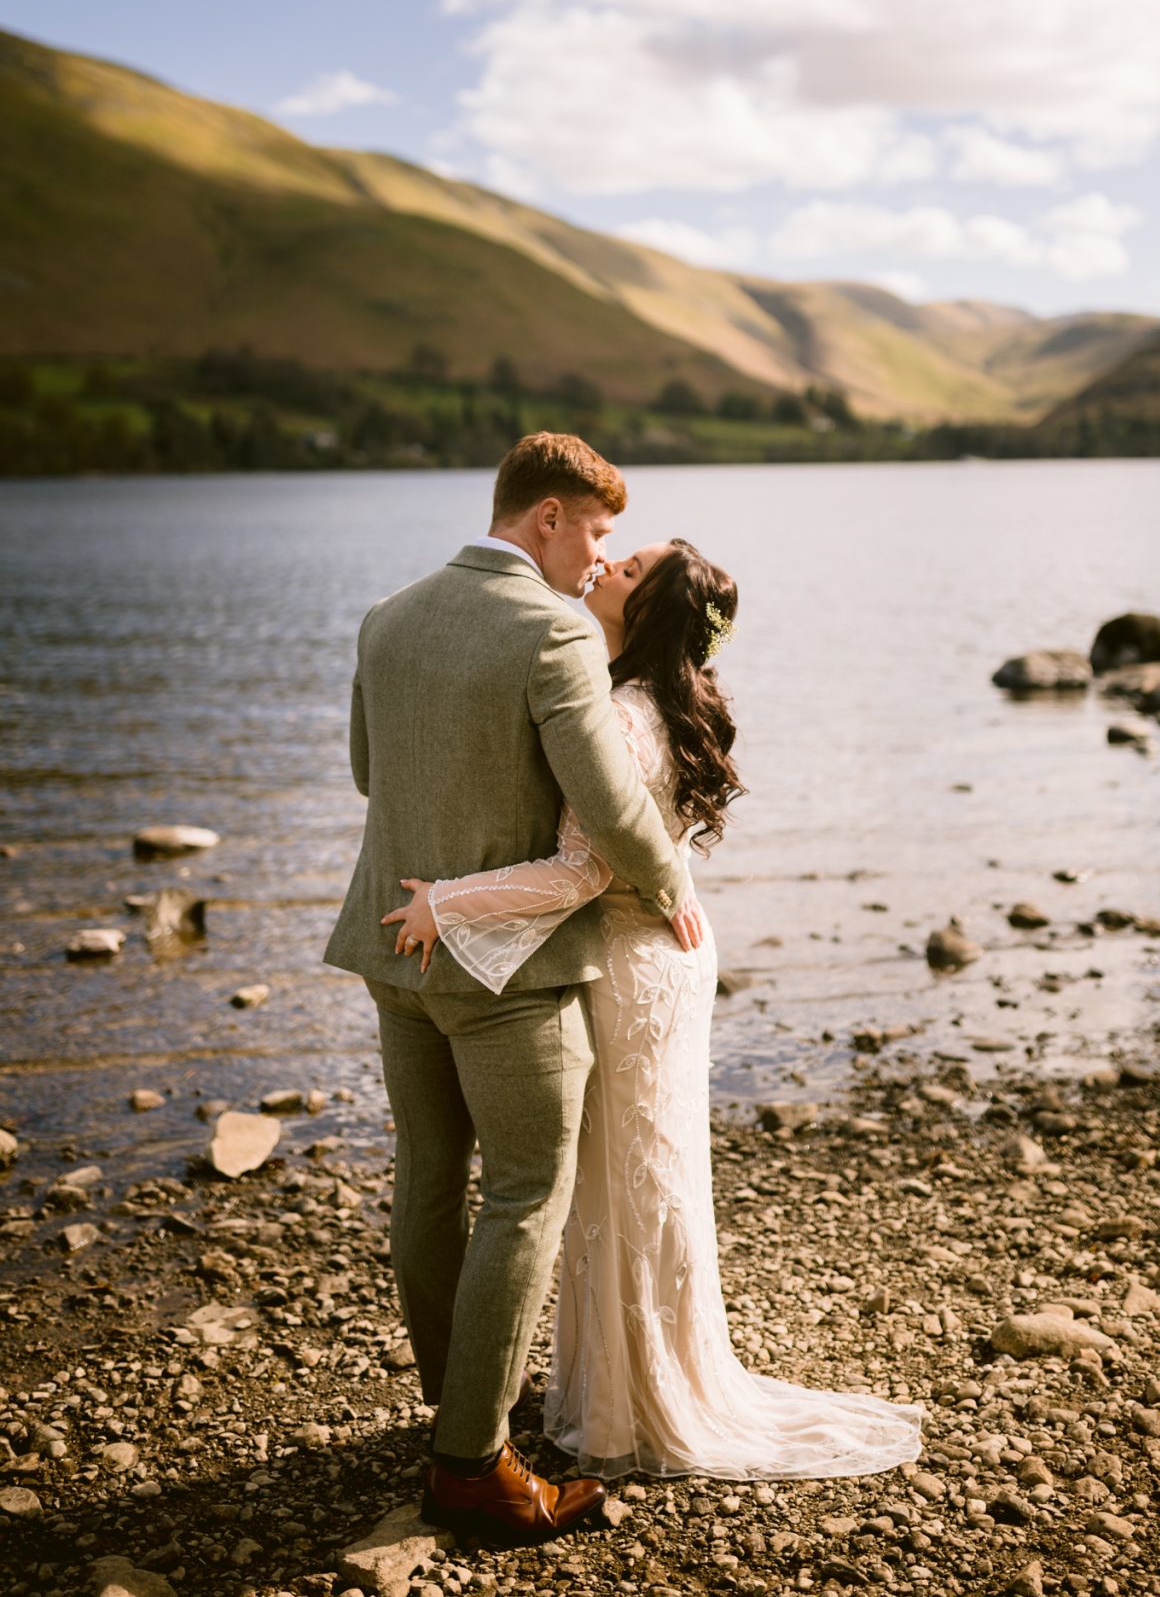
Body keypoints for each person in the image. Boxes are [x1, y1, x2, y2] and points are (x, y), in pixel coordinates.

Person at [385, 538, 925, 1482]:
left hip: (633, 968)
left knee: (626, 1180)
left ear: (649, 614)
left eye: (626, 568)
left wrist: (449, 901)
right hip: (656, 955)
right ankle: (618, 1385)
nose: (602, 568)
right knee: (634, 1176)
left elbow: (584, 869)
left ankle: (637, 1402)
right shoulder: (639, 701)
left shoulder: (629, 716)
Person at [324, 433, 701, 1543]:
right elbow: (613, 804)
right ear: (544, 515)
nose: (597, 557)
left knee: (430, 1179)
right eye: (591, 531)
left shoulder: (388, 613)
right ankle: (473, 1462)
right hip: (509, 974)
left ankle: (459, 1404)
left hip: (397, 956)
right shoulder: (550, 629)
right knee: (527, 1191)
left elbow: (365, 769)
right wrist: (669, 879)